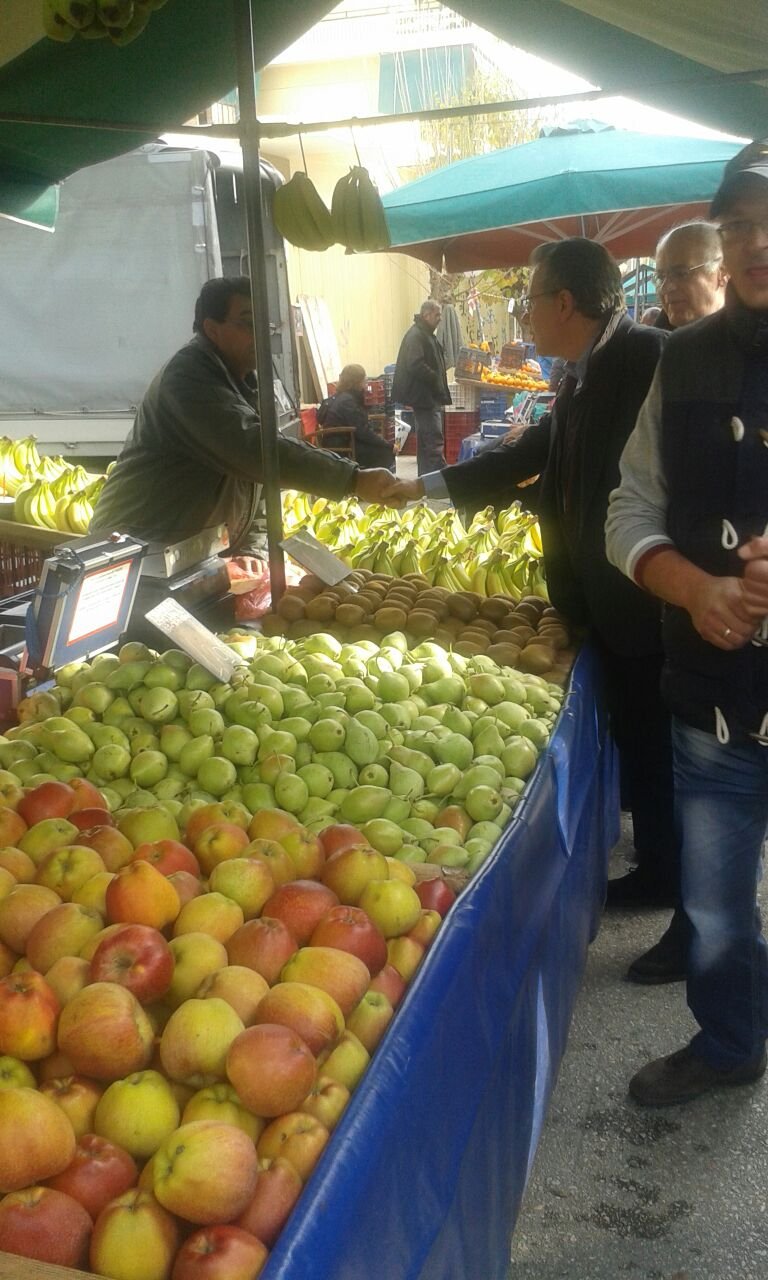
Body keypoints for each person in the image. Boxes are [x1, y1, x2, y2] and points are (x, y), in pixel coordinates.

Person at [385, 239, 679, 939]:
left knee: (656, 740)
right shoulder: (581, 369)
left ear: (564, 303)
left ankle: (673, 881)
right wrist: (423, 489)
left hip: (640, 603)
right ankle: (661, 857)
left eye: (529, 301)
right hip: (596, 602)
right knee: (639, 738)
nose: (523, 317)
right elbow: (534, 453)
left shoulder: (646, 360)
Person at [605, 139, 768, 1106]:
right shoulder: (681, 361)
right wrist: (691, 588)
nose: (757, 245)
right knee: (711, 907)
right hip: (713, 701)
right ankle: (730, 1042)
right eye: (740, 227)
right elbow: (630, 508)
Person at [93, 277, 397, 552]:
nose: (260, 336)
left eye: (263, 325)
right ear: (212, 329)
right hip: (136, 547)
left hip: (187, 549)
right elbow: (253, 450)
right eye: (247, 324)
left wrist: (252, 546)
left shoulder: (243, 383)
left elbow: (257, 480)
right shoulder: (187, 379)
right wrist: (352, 479)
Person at [391, 299, 451, 475]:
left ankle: (427, 480)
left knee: (427, 440)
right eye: (437, 315)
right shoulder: (417, 335)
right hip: (424, 396)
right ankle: (438, 479)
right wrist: (434, 377)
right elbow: (415, 363)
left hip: (426, 395)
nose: (440, 319)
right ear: (426, 315)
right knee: (432, 438)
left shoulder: (424, 333)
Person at [317, 364, 395, 470]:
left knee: (381, 447)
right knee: (386, 453)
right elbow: (363, 432)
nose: (366, 385)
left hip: (340, 442)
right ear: (357, 382)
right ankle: (369, 482)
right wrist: (388, 445)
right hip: (346, 447)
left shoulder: (339, 397)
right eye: (364, 381)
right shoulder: (348, 402)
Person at [653, 220, 727, 330]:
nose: (665, 288)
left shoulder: (756, 341)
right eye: (660, 277)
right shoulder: (654, 344)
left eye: (681, 274)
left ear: (722, 273)